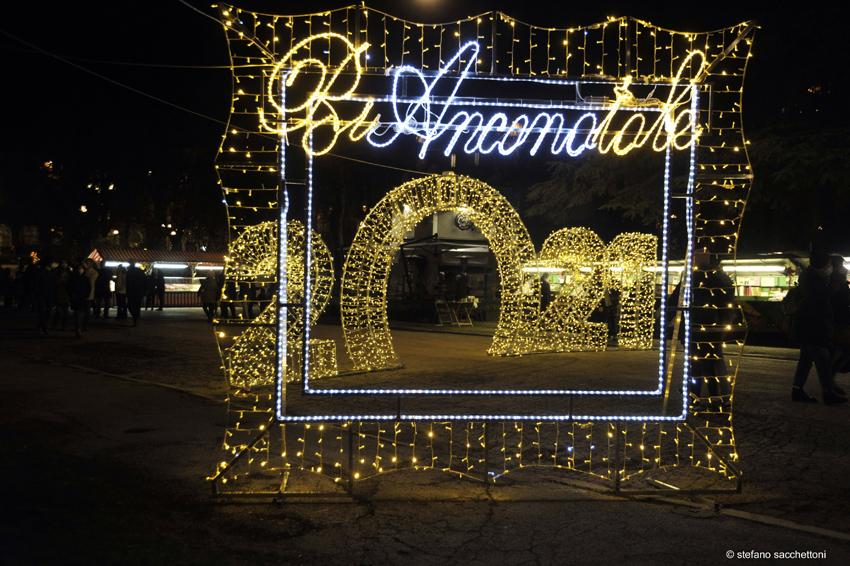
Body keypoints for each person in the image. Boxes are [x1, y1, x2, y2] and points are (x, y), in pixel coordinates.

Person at [791, 250, 848, 405]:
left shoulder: (816, 277)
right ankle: (828, 393)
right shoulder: (811, 279)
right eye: (828, 264)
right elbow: (815, 300)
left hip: (812, 326)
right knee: (822, 361)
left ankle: (797, 390)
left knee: (806, 361)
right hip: (812, 326)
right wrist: (831, 290)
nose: (829, 267)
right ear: (821, 265)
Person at [688, 252, 736, 409]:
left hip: (696, 325)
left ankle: (695, 398)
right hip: (713, 325)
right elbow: (728, 299)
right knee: (711, 363)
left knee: (695, 364)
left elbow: (679, 298)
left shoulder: (694, 277)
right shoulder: (720, 278)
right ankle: (716, 398)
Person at [68, 263, 91, 338]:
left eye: (82, 268)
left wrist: (86, 295)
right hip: (76, 298)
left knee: (82, 313)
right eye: (79, 268)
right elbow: (69, 287)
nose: (80, 270)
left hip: (83, 298)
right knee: (78, 313)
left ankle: (79, 328)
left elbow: (89, 288)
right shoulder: (73, 278)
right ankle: (78, 329)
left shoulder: (86, 278)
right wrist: (72, 295)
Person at [51, 259, 71, 331]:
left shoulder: (69, 272)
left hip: (66, 294)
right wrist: (61, 278)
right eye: (63, 263)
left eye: (65, 263)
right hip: (59, 293)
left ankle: (64, 326)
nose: (64, 264)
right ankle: (55, 325)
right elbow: (54, 283)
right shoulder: (56, 272)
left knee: (66, 312)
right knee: (58, 311)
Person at [126, 261, 146, 327]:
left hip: (132, 292)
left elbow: (128, 283)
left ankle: (135, 317)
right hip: (139, 292)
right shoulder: (140, 272)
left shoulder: (129, 272)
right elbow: (145, 282)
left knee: (130, 305)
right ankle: (136, 317)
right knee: (137, 306)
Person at [83, 259, 98, 328]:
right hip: (82, 293)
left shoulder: (94, 273)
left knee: (87, 310)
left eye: (87, 263)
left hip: (89, 294)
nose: (85, 264)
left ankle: (86, 323)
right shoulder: (83, 271)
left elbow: (90, 283)